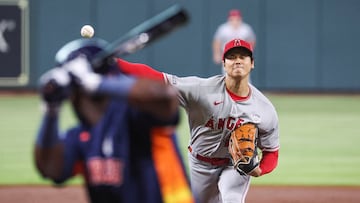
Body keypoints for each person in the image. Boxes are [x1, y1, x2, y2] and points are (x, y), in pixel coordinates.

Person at [116, 39, 280, 203]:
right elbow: (157, 78)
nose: (237, 60)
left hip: (235, 165)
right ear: (224, 63)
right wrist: (114, 64)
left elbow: (272, 151)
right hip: (201, 163)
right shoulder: (201, 90)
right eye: (232, 57)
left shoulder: (264, 109)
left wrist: (259, 169)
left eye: (243, 57)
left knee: (233, 199)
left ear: (252, 63)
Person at [34, 38, 195, 203]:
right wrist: (50, 111)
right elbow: (50, 168)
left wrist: (96, 82)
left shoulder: (137, 116)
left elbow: (166, 97)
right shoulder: (82, 134)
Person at [212, 9, 256, 75]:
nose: (235, 21)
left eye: (237, 19)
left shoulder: (246, 29)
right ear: (229, 19)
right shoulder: (223, 29)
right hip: (228, 56)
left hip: (242, 56)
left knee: (244, 75)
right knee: (227, 75)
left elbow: (252, 41)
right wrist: (216, 54)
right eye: (232, 19)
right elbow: (217, 42)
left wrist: (249, 53)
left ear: (240, 19)